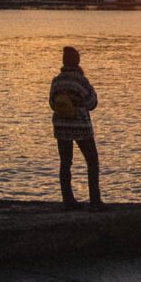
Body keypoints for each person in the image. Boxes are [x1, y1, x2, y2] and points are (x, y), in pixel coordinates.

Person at [50, 45, 105, 211]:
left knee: (65, 163)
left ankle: (68, 200)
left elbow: (52, 104)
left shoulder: (57, 80)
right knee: (92, 161)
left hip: (61, 126)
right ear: (77, 61)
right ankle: (95, 200)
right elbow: (91, 103)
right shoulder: (81, 80)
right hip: (80, 126)